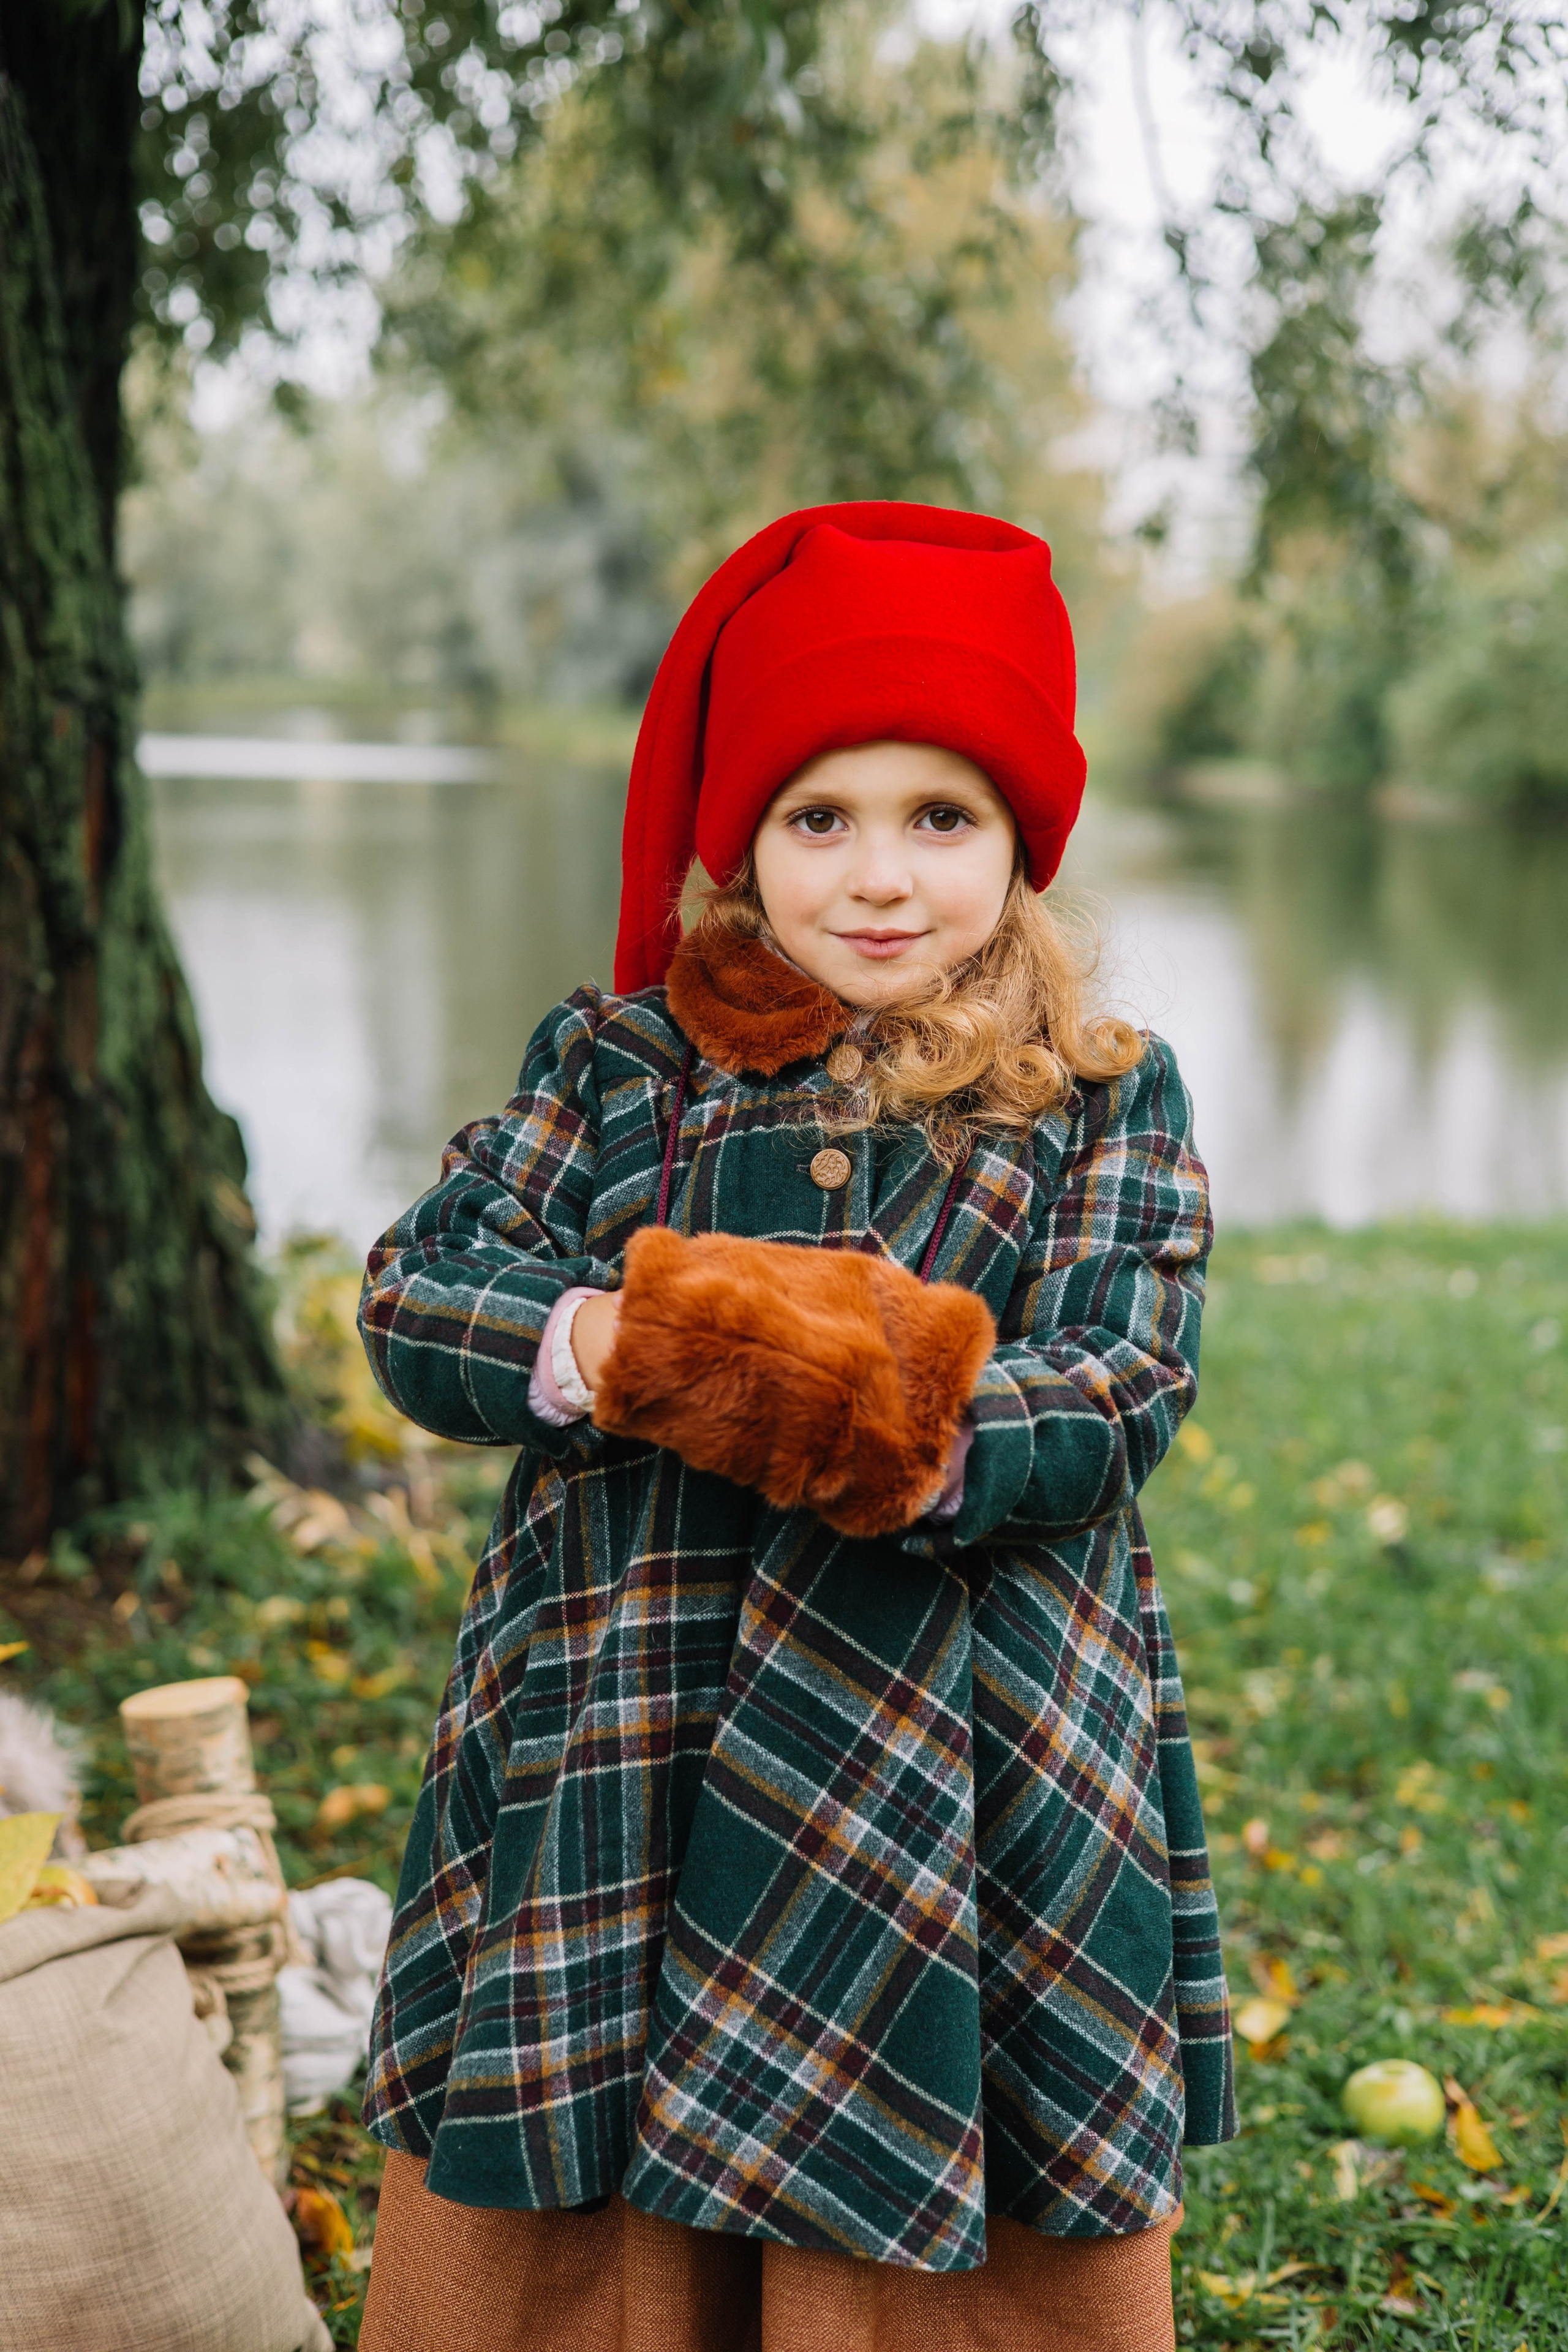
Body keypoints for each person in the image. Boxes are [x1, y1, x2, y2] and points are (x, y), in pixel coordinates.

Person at [355, 503, 1236, 2352]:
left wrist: (865, 1403)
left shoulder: (1099, 1097)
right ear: (746, 838)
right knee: (601, 2168)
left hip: (960, 1767)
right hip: (630, 1736)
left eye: (943, 817)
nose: (880, 874)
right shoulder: (619, 1066)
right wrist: (626, 1339)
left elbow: (1119, 1381)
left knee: (920, 2186)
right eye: (821, 815)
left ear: (1022, 843)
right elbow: (422, 1291)